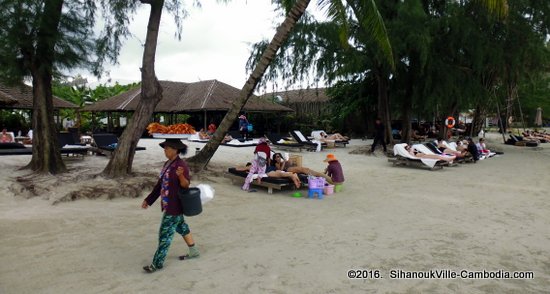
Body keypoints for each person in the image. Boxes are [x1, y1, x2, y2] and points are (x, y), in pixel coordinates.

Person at [141, 139, 199, 273]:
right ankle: (194, 251)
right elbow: (160, 185)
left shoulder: (181, 165)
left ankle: (157, 263)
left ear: (175, 150)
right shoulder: (168, 163)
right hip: (169, 204)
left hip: (175, 206)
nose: (165, 150)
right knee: (182, 227)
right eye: (165, 148)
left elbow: (186, 185)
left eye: (167, 148)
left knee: (164, 235)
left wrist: (180, 176)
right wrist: (148, 200)